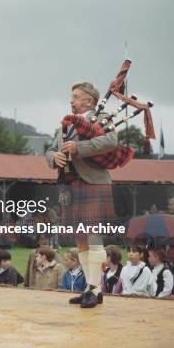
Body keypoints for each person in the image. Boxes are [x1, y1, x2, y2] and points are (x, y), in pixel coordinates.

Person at [46, 81, 118, 308]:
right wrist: (53, 158)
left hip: (93, 182)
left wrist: (79, 149)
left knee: (94, 236)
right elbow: (50, 149)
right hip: (70, 184)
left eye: (76, 96)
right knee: (80, 239)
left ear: (90, 100)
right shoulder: (66, 123)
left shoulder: (102, 116)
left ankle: (95, 289)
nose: (72, 100)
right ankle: (89, 287)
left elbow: (110, 142)